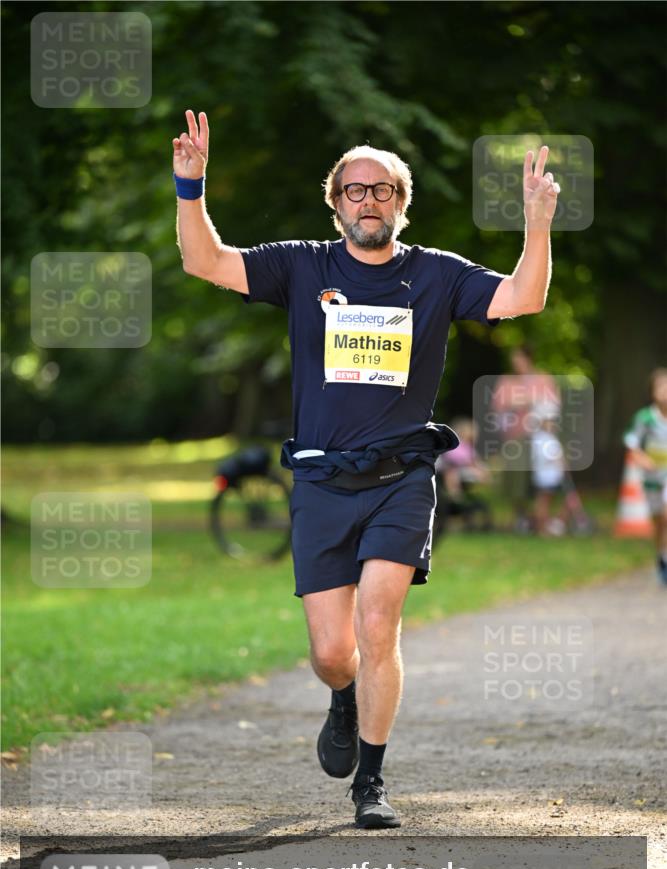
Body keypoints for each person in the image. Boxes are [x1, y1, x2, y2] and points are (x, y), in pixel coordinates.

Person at [173, 109, 559, 828]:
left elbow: (523, 297)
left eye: (382, 190)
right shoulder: (301, 265)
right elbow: (206, 262)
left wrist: (535, 225)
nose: (368, 201)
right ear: (335, 202)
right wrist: (188, 187)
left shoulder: (436, 275)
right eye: (354, 190)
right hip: (320, 480)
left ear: (401, 204)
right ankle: (341, 697)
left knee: (378, 625)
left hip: (400, 478)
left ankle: (371, 785)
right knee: (332, 652)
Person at [490, 345, 560, 532]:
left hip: (539, 437)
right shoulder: (506, 382)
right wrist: (525, 402)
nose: (516, 363)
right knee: (516, 480)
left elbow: (552, 408)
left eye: (519, 358)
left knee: (542, 480)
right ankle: (521, 517)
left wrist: (525, 403)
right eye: (514, 359)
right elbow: (499, 408)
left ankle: (539, 520)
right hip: (515, 437)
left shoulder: (543, 379)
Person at [623, 368, 667, 585]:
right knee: (659, 522)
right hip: (652, 479)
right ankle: (661, 558)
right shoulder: (644, 418)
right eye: (661, 386)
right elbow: (632, 447)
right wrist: (643, 460)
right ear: (653, 392)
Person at [530, 402, 566, 535]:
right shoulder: (540, 438)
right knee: (543, 501)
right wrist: (558, 458)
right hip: (545, 475)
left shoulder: (549, 437)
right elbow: (546, 455)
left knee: (548, 500)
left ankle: (549, 525)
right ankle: (541, 527)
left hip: (553, 474)